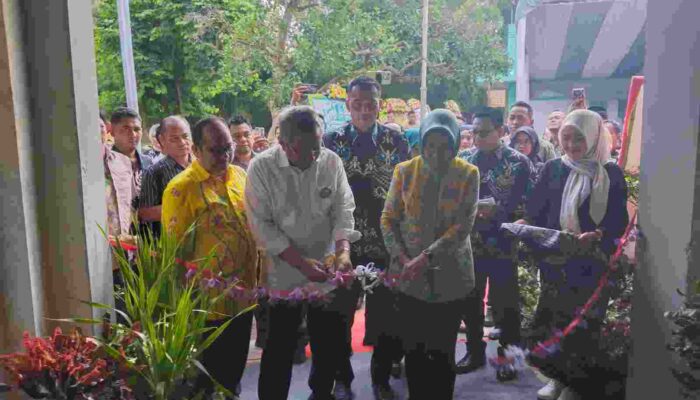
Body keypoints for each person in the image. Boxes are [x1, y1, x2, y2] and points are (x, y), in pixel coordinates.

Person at [244, 106, 361, 400]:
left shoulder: (330, 161)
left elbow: (343, 209)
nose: (314, 155)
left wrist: (343, 251)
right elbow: (262, 226)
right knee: (279, 347)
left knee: (328, 343)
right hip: (283, 274)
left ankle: (322, 392)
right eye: (305, 149)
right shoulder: (261, 168)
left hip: (326, 268)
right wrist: (300, 264)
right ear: (283, 144)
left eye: (318, 146)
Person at [515, 110, 628, 400]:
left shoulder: (610, 173)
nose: (571, 144)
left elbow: (618, 220)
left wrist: (600, 235)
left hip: (590, 264)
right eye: (566, 137)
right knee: (554, 319)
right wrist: (525, 223)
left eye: (578, 138)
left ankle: (576, 384)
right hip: (556, 259)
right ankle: (556, 378)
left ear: (592, 137)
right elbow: (537, 207)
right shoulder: (554, 168)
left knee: (584, 324)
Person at [381, 109, 479, 399]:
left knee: (443, 350)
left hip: (451, 277)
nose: (437, 153)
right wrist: (400, 258)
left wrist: (424, 258)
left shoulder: (467, 173)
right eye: (431, 145)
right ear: (421, 143)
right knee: (414, 348)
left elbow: (462, 227)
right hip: (409, 275)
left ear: (457, 144)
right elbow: (388, 218)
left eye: (446, 146)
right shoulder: (405, 171)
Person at [323, 76, 410, 400]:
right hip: (344, 242)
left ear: (380, 103)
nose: (364, 110)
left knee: (387, 317)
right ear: (348, 105)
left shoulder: (395, 140)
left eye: (370, 103)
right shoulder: (331, 141)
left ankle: (381, 378)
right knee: (339, 316)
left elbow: (406, 191)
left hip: (386, 243)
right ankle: (341, 379)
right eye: (357, 104)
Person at [161, 117, 258, 400]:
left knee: (233, 378)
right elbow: (173, 255)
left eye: (228, 147)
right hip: (207, 308)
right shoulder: (181, 189)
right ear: (196, 149)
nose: (224, 155)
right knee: (208, 384)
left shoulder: (240, 176)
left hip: (243, 299)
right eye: (216, 150)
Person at [457, 107, 531, 381]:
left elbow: (529, 206)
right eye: (473, 132)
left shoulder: (519, 162)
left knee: (506, 307)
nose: (476, 138)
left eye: (484, 132)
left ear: (501, 132)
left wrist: (498, 211)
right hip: (470, 244)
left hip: (504, 243)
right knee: (470, 302)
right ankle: (474, 352)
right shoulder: (464, 160)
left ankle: (508, 360)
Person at [138, 115, 192, 239]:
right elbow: (145, 213)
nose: (182, 143)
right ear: (162, 140)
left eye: (185, 136)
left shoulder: (201, 166)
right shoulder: (154, 172)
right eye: (174, 139)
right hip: (172, 243)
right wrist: (182, 207)